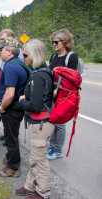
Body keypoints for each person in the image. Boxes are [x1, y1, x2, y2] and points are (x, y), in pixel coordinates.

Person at [15, 39, 54, 199]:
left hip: (40, 124)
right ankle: (30, 186)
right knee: (35, 158)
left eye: (25, 55)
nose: (23, 58)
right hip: (43, 123)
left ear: (34, 55)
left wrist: (23, 100)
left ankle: (43, 192)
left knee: (39, 160)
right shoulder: (45, 71)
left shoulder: (38, 76)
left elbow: (36, 106)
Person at [0, 37, 29, 177]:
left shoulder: (10, 66)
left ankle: (13, 168)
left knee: (11, 138)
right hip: (17, 107)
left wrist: (2, 108)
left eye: (1, 50)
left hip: (11, 108)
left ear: (9, 51)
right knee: (12, 136)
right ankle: (11, 159)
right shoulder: (20, 63)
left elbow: (9, 94)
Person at [47, 28, 78, 160]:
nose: (53, 44)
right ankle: (53, 146)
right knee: (52, 119)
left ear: (65, 42)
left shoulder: (71, 57)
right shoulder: (53, 56)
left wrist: (58, 89)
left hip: (64, 94)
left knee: (59, 123)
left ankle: (57, 150)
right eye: (52, 42)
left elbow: (71, 77)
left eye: (56, 42)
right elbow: (49, 73)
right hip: (52, 92)